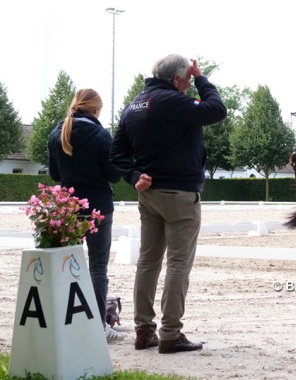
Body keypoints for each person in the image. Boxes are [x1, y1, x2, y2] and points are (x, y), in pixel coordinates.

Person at [110, 54, 227, 354]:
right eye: (187, 80)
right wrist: (202, 78)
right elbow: (216, 109)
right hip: (180, 194)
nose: (189, 85)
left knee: (147, 263)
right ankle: (171, 334)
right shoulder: (171, 100)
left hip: (148, 195)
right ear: (176, 79)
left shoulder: (133, 105)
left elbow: (117, 153)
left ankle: (143, 331)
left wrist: (134, 175)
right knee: (178, 263)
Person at [48, 88, 123, 342]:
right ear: (94, 110)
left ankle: (66, 318)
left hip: (68, 208)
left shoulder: (57, 133)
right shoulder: (102, 136)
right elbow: (113, 175)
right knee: (98, 266)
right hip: (98, 207)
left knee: (67, 265)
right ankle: (98, 324)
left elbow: (55, 175)